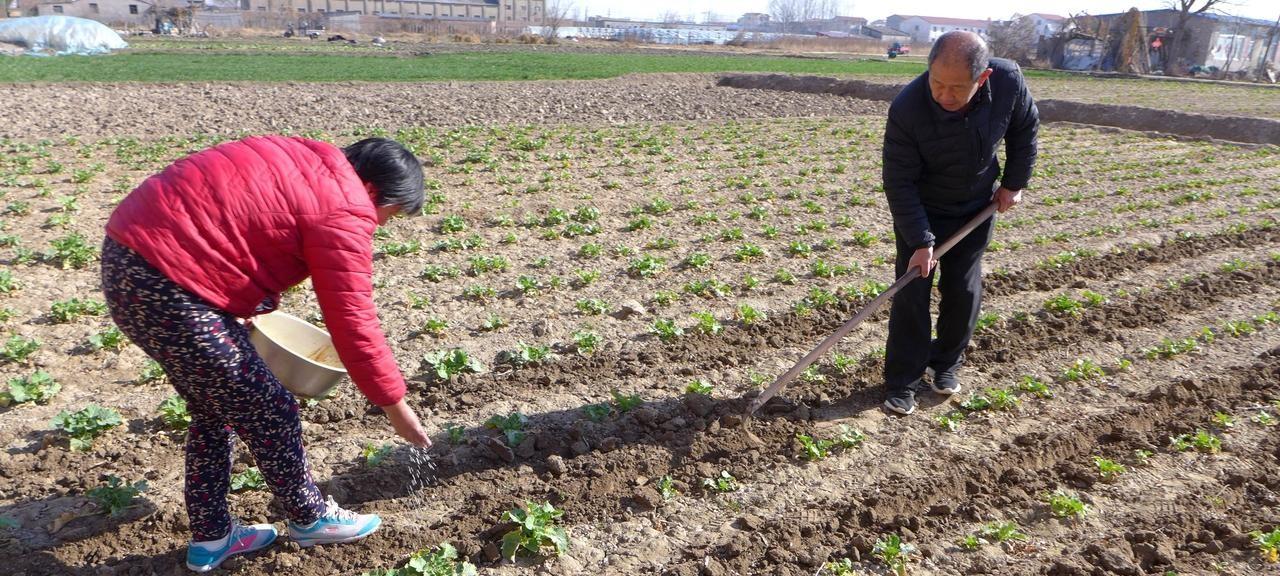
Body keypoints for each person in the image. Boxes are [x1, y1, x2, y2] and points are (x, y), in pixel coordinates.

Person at [100, 135, 434, 572]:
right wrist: (394, 404)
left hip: (128, 265)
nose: (383, 225)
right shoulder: (346, 206)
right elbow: (353, 319)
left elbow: (229, 223)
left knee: (214, 407)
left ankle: (212, 536)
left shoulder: (300, 157)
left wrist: (229, 304)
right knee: (272, 408)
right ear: (373, 190)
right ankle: (311, 518)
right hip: (172, 290)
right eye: (389, 214)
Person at [880, 31, 1039, 415]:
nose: (945, 96)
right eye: (937, 84)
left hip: (975, 206)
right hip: (923, 207)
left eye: (957, 88)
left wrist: (1014, 183)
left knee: (963, 289)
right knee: (912, 290)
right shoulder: (908, 109)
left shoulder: (1007, 82)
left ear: (982, 79)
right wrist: (920, 241)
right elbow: (899, 181)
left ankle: (947, 363)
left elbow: (1024, 129)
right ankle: (903, 379)